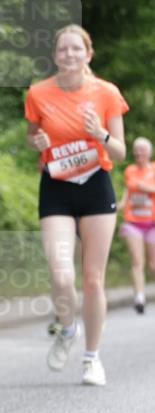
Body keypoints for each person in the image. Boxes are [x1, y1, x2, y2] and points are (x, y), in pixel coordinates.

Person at [24, 24, 128, 386]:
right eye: (62, 50)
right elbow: (32, 137)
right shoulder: (38, 93)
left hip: (96, 185)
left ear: (88, 54)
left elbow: (119, 150)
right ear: (54, 56)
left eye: (75, 49)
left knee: (93, 279)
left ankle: (92, 358)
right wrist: (36, 141)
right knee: (60, 273)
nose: (68, 55)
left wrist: (99, 133)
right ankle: (68, 329)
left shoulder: (106, 93)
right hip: (56, 186)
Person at [117, 137, 155, 313]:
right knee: (137, 261)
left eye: (142, 150)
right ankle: (139, 297)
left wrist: (147, 188)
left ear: (149, 152)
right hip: (133, 221)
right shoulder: (130, 170)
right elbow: (127, 196)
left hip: (152, 222)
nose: (139, 153)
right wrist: (116, 206)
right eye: (136, 150)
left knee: (152, 264)